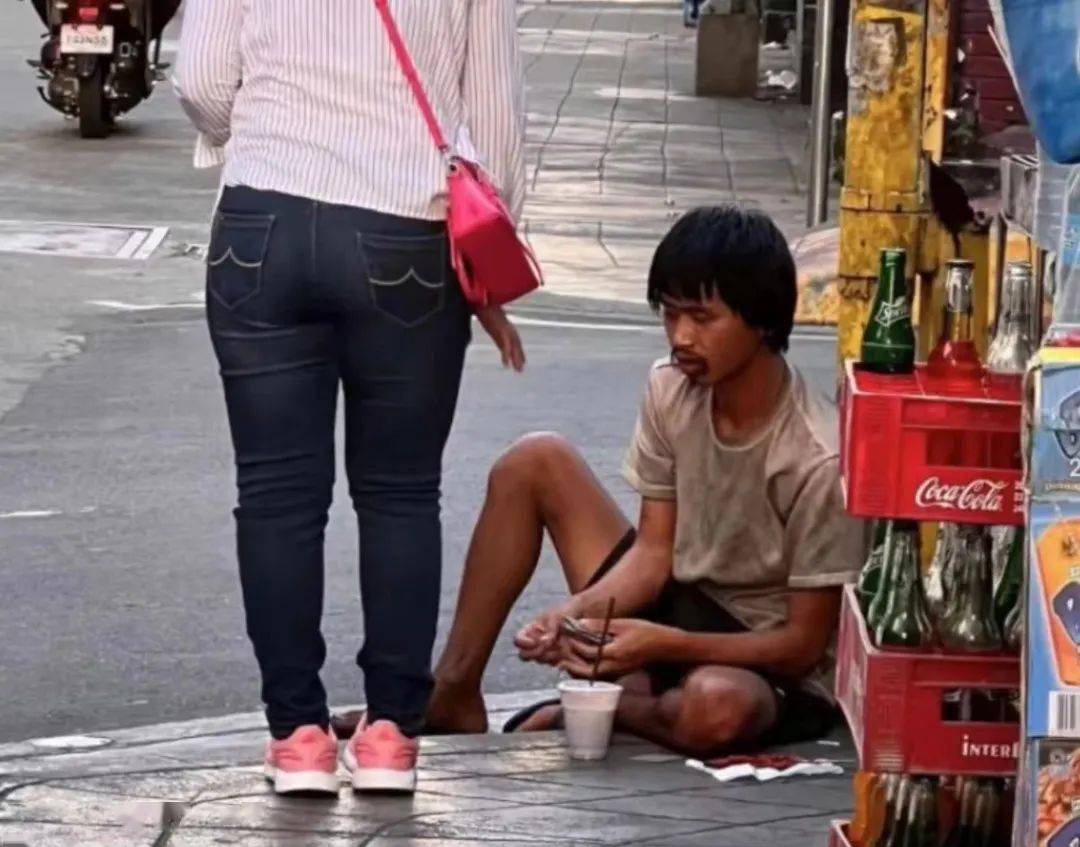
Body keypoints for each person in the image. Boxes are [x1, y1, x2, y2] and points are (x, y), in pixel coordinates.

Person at [174, 1, 527, 796]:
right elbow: (497, 121)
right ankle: (392, 736)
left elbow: (200, 82)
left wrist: (268, 123)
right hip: (406, 221)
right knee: (401, 492)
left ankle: (297, 736)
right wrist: (487, 244)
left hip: (261, 216)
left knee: (274, 496)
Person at [427, 206, 865, 756]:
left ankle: (608, 709)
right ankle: (453, 691)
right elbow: (653, 554)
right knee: (534, 459)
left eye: (702, 319)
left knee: (715, 707)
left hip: (763, 661)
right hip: (676, 605)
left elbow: (801, 647)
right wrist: (574, 613)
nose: (680, 337)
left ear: (762, 321)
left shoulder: (817, 455)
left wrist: (664, 644)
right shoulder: (670, 388)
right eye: (670, 315)